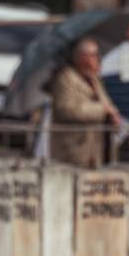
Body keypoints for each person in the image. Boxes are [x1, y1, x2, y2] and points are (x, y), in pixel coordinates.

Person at [49, 38, 120, 168]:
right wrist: (102, 110)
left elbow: (106, 103)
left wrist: (113, 114)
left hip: (98, 150)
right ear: (82, 58)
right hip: (75, 151)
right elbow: (67, 109)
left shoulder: (94, 79)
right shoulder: (65, 78)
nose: (98, 59)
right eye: (93, 55)